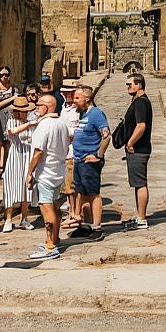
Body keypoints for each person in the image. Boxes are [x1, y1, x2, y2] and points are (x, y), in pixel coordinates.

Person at [25, 93, 70, 260]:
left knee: (46, 208)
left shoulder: (44, 125)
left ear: (47, 107)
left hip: (45, 173)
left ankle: (50, 246)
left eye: (39, 105)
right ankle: (55, 239)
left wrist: (30, 172)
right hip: (58, 170)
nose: (37, 108)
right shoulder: (62, 123)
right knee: (55, 207)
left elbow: (38, 152)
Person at [69, 85, 110, 241]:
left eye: (77, 98)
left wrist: (98, 155)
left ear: (86, 99)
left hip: (89, 161)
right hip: (79, 159)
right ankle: (86, 226)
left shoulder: (96, 114)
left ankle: (97, 227)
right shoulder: (82, 113)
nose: (74, 101)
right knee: (82, 193)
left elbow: (106, 135)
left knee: (93, 194)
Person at [120, 73, 154, 230]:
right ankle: (140, 215)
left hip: (138, 149)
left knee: (140, 183)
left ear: (139, 85)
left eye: (130, 84)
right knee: (137, 183)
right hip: (139, 148)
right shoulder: (139, 101)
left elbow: (141, 126)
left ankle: (142, 219)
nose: (128, 87)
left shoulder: (140, 102)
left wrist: (130, 143)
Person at [0, 95, 37, 232]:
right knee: (11, 186)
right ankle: (8, 219)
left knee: (26, 188)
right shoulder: (11, 121)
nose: (25, 113)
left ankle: (24, 218)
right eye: (22, 111)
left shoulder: (31, 122)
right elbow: (12, 132)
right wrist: (28, 124)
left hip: (28, 155)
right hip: (15, 155)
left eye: (26, 111)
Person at [59, 93, 82, 230]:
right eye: (66, 93)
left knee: (72, 185)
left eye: (71, 94)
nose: (68, 96)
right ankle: (71, 212)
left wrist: (64, 132)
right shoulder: (63, 108)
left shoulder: (76, 110)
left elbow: (79, 129)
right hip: (65, 151)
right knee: (68, 186)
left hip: (73, 151)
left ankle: (75, 213)